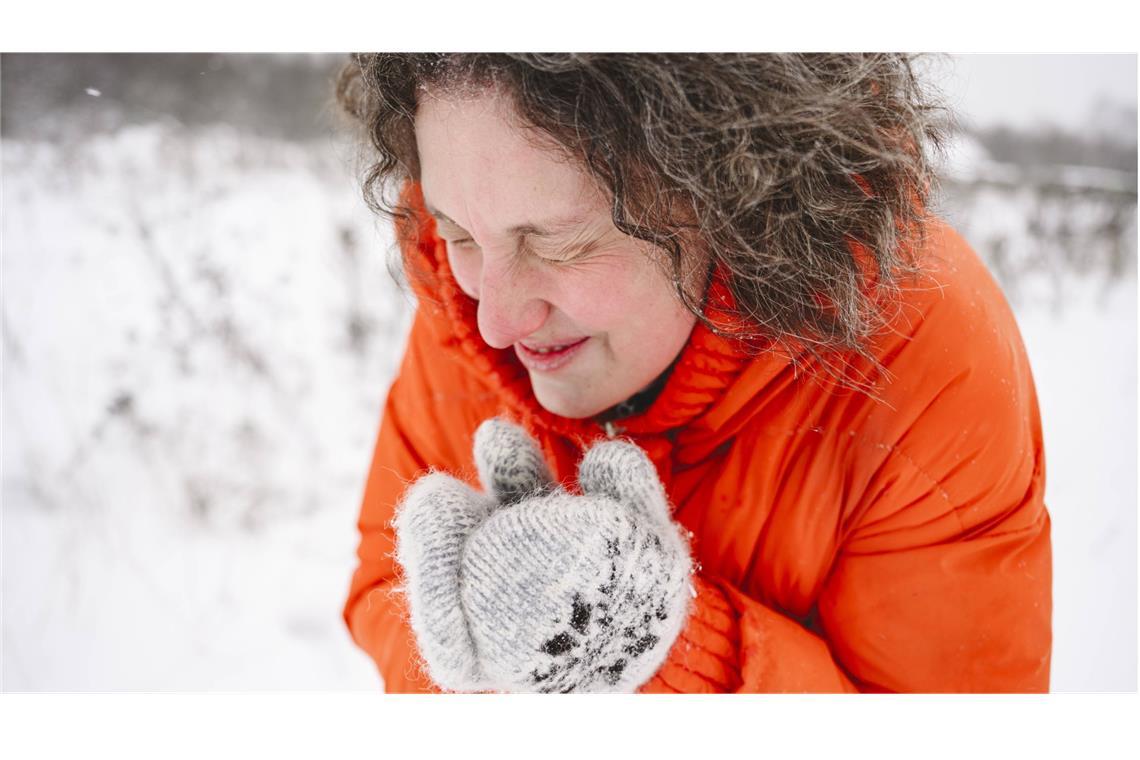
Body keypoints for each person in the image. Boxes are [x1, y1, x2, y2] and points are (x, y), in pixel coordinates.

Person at [335, 53, 1052, 693]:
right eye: (458, 232)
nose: (496, 320)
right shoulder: (467, 309)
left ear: (736, 197)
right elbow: (381, 591)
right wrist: (488, 669)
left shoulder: (921, 356)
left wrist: (661, 655)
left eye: (560, 243)